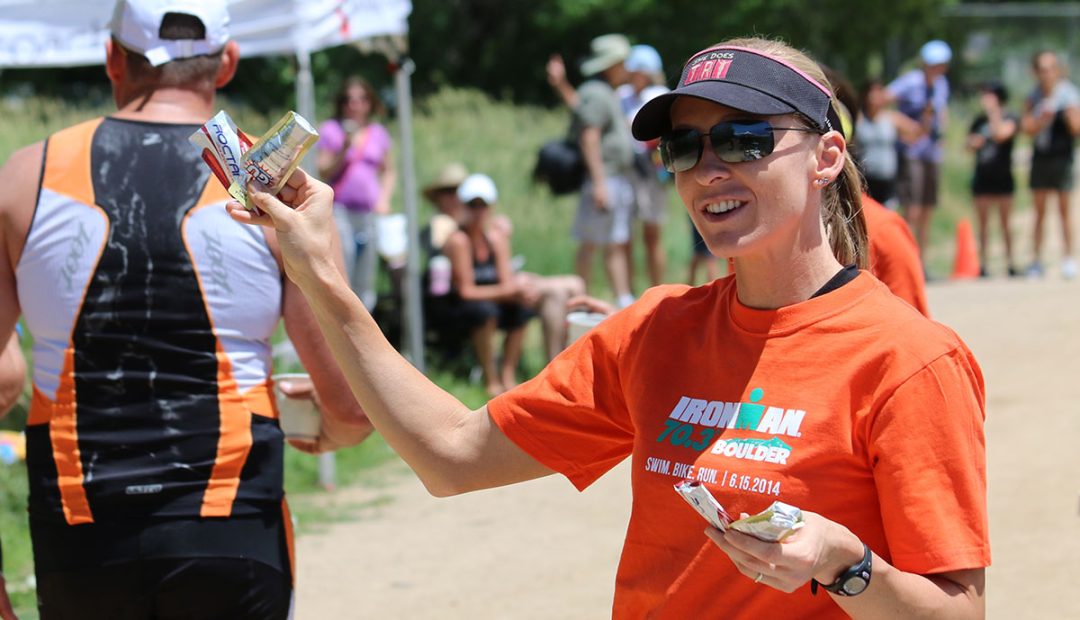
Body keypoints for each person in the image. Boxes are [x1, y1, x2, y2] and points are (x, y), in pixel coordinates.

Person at [230, 36, 989, 618]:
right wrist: (319, 273)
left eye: (744, 140)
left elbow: (959, 610)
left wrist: (844, 562)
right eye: (684, 147)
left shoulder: (909, 360)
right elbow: (451, 456)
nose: (708, 168)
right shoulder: (656, 331)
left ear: (826, 156)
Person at [0, 2, 371, 618]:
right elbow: (353, 402)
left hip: (79, 523)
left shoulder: (24, 176)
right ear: (227, 63)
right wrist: (330, 427)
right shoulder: (276, 187)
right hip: (229, 521)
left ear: (113, 58)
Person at [426, 174, 535, 396]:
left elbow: (505, 281)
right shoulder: (459, 241)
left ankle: (508, 373)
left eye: (482, 205)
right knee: (485, 312)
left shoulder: (496, 239)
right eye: (472, 205)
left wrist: (518, 292)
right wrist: (511, 290)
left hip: (487, 299)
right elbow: (466, 291)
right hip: (458, 307)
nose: (478, 211)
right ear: (463, 207)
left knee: (522, 309)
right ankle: (490, 376)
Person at [549, 35, 637, 308]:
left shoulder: (600, 91)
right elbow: (589, 136)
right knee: (592, 242)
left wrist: (560, 85)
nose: (626, 67)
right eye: (621, 62)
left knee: (615, 242)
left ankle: (622, 300)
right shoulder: (597, 92)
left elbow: (578, 107)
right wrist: (600, 183)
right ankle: (578, 299)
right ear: (610, 65)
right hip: (606, 177)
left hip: (613, 178)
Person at [317, 76, 397, 307]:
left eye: (361, 100)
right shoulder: (331, 130)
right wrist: (344, 148)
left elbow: (388, 170)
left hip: (368, 213)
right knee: (344, 269)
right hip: (340, 211)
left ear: (369, 103)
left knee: (365, 277)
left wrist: (384, 199)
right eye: (349, 100)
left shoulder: (377, 133)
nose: (355, 105)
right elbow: (324, 170)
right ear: (342, 103)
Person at [887, 40, 952, 261]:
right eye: (932, 64)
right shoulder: (910, 82)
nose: (936, 69)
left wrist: (943, 132)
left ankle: (921, 262)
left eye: (941, 65)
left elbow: (941, 112)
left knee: (927, 209)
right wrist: (906, 127)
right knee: (911, 209)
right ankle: (906, 260)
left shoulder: (942, 84)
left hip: (931, 152)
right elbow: (882, 103)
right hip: (912, 152)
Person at [1021, 50, 1080, 280]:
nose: (1047, 74)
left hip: (1062, 158)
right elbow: (1026, 128)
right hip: (1041, 158)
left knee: (1064, 211)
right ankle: (1036, 260)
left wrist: (1066, 115)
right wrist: (1041, 120)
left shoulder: (1069, 94)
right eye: (1042, 69)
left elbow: (1076, 129)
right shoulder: (1033, 96)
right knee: (1039, 211)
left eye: (1051, 68)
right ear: (1036, 72)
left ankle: (1067, 258)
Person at [618, 44, 670, 288]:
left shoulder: (660, 94)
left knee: (652, 234)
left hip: (651, 170)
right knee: (624, 235)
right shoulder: (622, 95)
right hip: (627, 170)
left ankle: (656, 289)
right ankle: (627, 292)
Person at [968, 81, 1020, 278]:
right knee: (983, 224)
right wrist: (974, 142)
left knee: (1006, 222)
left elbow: (1001, 134)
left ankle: (1011, 262)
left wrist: (993, 113)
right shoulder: (978, 121)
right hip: (983, 176)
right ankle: (983, 264)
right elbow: (968, 144)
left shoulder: (1010, 117)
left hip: (1003, 176)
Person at [854, 80, 920, 209]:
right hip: (865, 180)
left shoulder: (891, 118)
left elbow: (916, 133)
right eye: (873, 93)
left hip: (887, 181)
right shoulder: (858, 118)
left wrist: (927, 116)